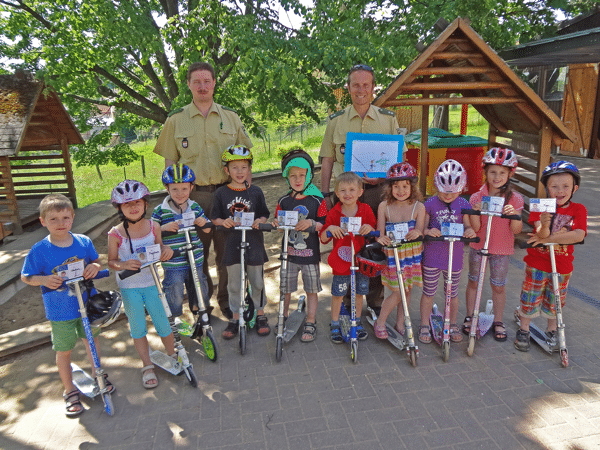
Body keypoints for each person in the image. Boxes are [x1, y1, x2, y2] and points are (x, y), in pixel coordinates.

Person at [154, 61, 253, 320]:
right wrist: (172, 198)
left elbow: (245, 156)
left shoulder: (231, 117)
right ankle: (201, 307)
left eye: (206, 81)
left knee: (226, 255)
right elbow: (169, 163)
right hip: (193, 198)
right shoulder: (176, 120)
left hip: (228, 195)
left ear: (214, 83)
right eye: (196, 82)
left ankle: (227, 303)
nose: (202, 86)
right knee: (195, 255)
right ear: (188, 85)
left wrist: (246, 183)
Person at [319, 64, 406, 312]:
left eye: (366, 85)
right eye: (355, 85)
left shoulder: (388, 120)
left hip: (378, 193)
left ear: (373, 88)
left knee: (376, 245)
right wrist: (326, 195)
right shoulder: (336, 122)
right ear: (348, 88)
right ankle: (346, 300)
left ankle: (375, 300)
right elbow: (327, 159)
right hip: (345, 197)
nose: (361, 90)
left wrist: (387, 182)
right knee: (346, 245)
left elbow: (399, 161)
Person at [21, 194, 115, 417]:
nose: (60, 223)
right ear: (43, 221)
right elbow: (27, 276)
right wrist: (43, 280)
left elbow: (94, 261)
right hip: (60, 310)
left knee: (91, 340)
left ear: (72, 218)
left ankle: (98, 374)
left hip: (87, 305)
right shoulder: (39, 250)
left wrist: (93, 266)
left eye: (65, 217)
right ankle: (70, 390)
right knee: (64, 350)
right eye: (53, 219)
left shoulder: (83, 241)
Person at [107, 180, 176, 389]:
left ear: (146, 204)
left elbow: (160, 247)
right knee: (138, 328)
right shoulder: (115, 233)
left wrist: (167, 251)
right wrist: (123, 263)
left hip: (152, 283)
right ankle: (147, 365)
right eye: (127, 204)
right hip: (129, 288)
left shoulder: (154, 226)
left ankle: (173, 354)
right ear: (119, 208)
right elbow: (111, 262)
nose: (133, 207)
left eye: (137, 202)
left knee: (163, 323)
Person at [515, 161, 587, 352]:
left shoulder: (578, 209)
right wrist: (544, 225)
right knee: (531, 296)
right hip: (537, 263)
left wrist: (550, 238)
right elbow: (541, 233)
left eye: (565, 186)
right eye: (554, 186)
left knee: (555, 300)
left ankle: (552, 330)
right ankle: (524, 328)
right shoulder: (540, 206)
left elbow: (578, 234)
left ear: (574, 188)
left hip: (562, 265)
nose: (560, 190)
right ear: (547, 188)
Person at [211, 146, 271, 339]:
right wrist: (223, 221)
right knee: (234, 284)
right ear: (227, 170)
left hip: (253, 243)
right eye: (234, 167)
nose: (239, 171)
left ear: (249, 169)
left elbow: (264, 214)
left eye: (244, 167)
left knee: (257, 281)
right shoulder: (221, 193)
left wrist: (260, 221)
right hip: (231, 244)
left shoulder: (256, 191)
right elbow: (214, 218)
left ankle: (260, 314)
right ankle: (235, 318)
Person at [464, 148, 523, 342]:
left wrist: (513, 213)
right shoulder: (476, 197)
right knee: (473, 281)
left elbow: (516, 230)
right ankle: (471, 315)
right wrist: (475, 212)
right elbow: (477, 228)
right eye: (493, 172)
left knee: (498, 286)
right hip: (479, 248)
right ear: (485, 172)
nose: (497, 177)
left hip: (501, 250)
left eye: (502, 173)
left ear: (510, 174)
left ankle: (498, 320)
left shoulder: (515, 199)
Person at [272, 149, 328, 342]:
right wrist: (277, 225)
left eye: (302, 175)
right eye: (293, 175)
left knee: (311, 289)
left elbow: (323, 224)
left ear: (309, 176)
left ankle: (311, 321)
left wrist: (312, 224)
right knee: (285, 289)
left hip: (310, 256)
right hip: (288, 256)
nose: (298, 179)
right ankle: (283, 316)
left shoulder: (317, 200)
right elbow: (278, 225)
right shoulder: (283, 201)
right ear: (287, 177)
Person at [418, 160, 476, 344]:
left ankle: (451, 323)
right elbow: (422, 229)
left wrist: (469, 230)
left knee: (452, 293)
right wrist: (427, 232)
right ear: (436, 185)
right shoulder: (430, 204)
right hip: (433, 257)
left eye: (453, 191)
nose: (448, 195)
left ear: (461, 187)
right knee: (429, 292)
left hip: (455, 258)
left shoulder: (463, 203)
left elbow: (467, 225)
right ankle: (424, 324)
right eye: (444, 190)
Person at [320, 172, 376, 343]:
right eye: (342, 190)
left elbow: (374, 231)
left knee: (359, 293)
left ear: (360, 191)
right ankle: (335, 323)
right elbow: (323, 238)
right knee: (338, 293)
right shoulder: (334, 213)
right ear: (337, 193)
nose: (347, 194)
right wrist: (330, 229)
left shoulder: (365, 210)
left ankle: (356, 322)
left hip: (361, 262)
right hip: (342, 263)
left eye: (352, 189)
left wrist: (368, 228)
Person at [151, 164, 210, 327]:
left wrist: (203, 223)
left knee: (200, 287)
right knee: (175, 289)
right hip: (173, 262)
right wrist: (162, 228)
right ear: (167, 188)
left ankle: (201, 312)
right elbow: (150, 233)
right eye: (175, 189)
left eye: (184, 189)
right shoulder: (160, 211)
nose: (179, 193)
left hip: (195, 258)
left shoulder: (195, 206)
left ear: (191, 187)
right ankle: (173, 317)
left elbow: (207, 229)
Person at [373, 163, 425, 338]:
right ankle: (380, 322)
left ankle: (400, 322)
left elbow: (420, 232)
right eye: (396, 186)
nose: (401, 190)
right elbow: (379, 234)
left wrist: (418, 232)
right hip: (394, 256)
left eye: (405, 186)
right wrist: (380, 238)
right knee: (398, 292)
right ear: (389, 187)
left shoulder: (419, 207)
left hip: (411, 257)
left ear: (412, 186)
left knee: (407, 290)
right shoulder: (384, 206)